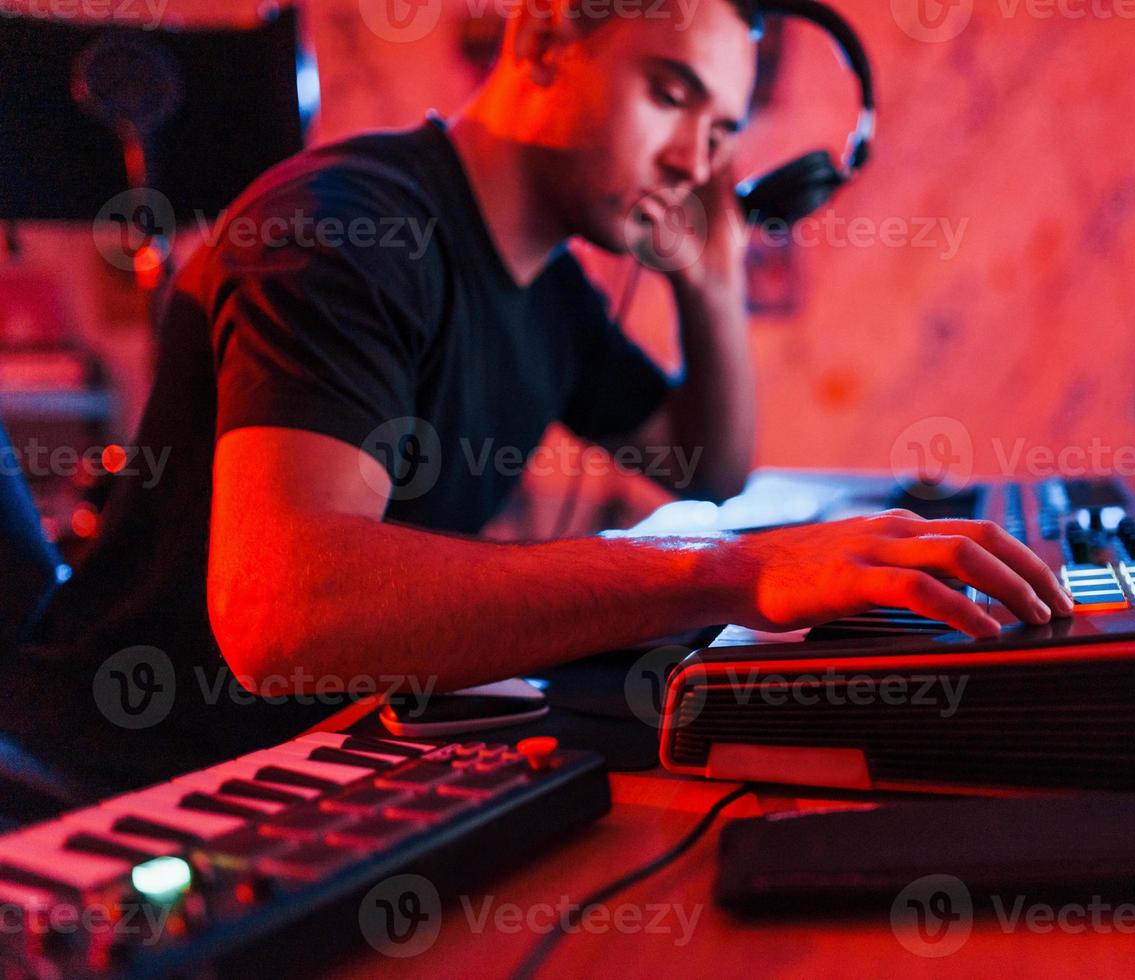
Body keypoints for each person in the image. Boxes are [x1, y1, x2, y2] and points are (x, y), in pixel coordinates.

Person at [7, 0, 1071, 786]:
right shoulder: (343, 231)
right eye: (670, 94)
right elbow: (284, 610)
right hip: (125, 771)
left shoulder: (551, 290)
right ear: (545, 39)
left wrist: (710, 286)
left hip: (320, 760)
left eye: (719, 136)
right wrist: (733, 570)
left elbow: (702, 464)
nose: (692, 165)